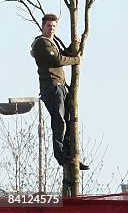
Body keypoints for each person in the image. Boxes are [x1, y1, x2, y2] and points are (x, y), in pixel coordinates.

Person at [30, 13, 89, 170]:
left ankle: (71, 155)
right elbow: (58, 59)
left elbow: (63, 54)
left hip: (61, 87)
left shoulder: (53, 42)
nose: (51, 29)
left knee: (68, 121)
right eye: (48, 26)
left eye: (54, 26)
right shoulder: (41, 43)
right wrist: (77, 60)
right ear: (43, 27)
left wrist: (74, 46)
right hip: (52, 87)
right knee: (59, 121)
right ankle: (61, 155)